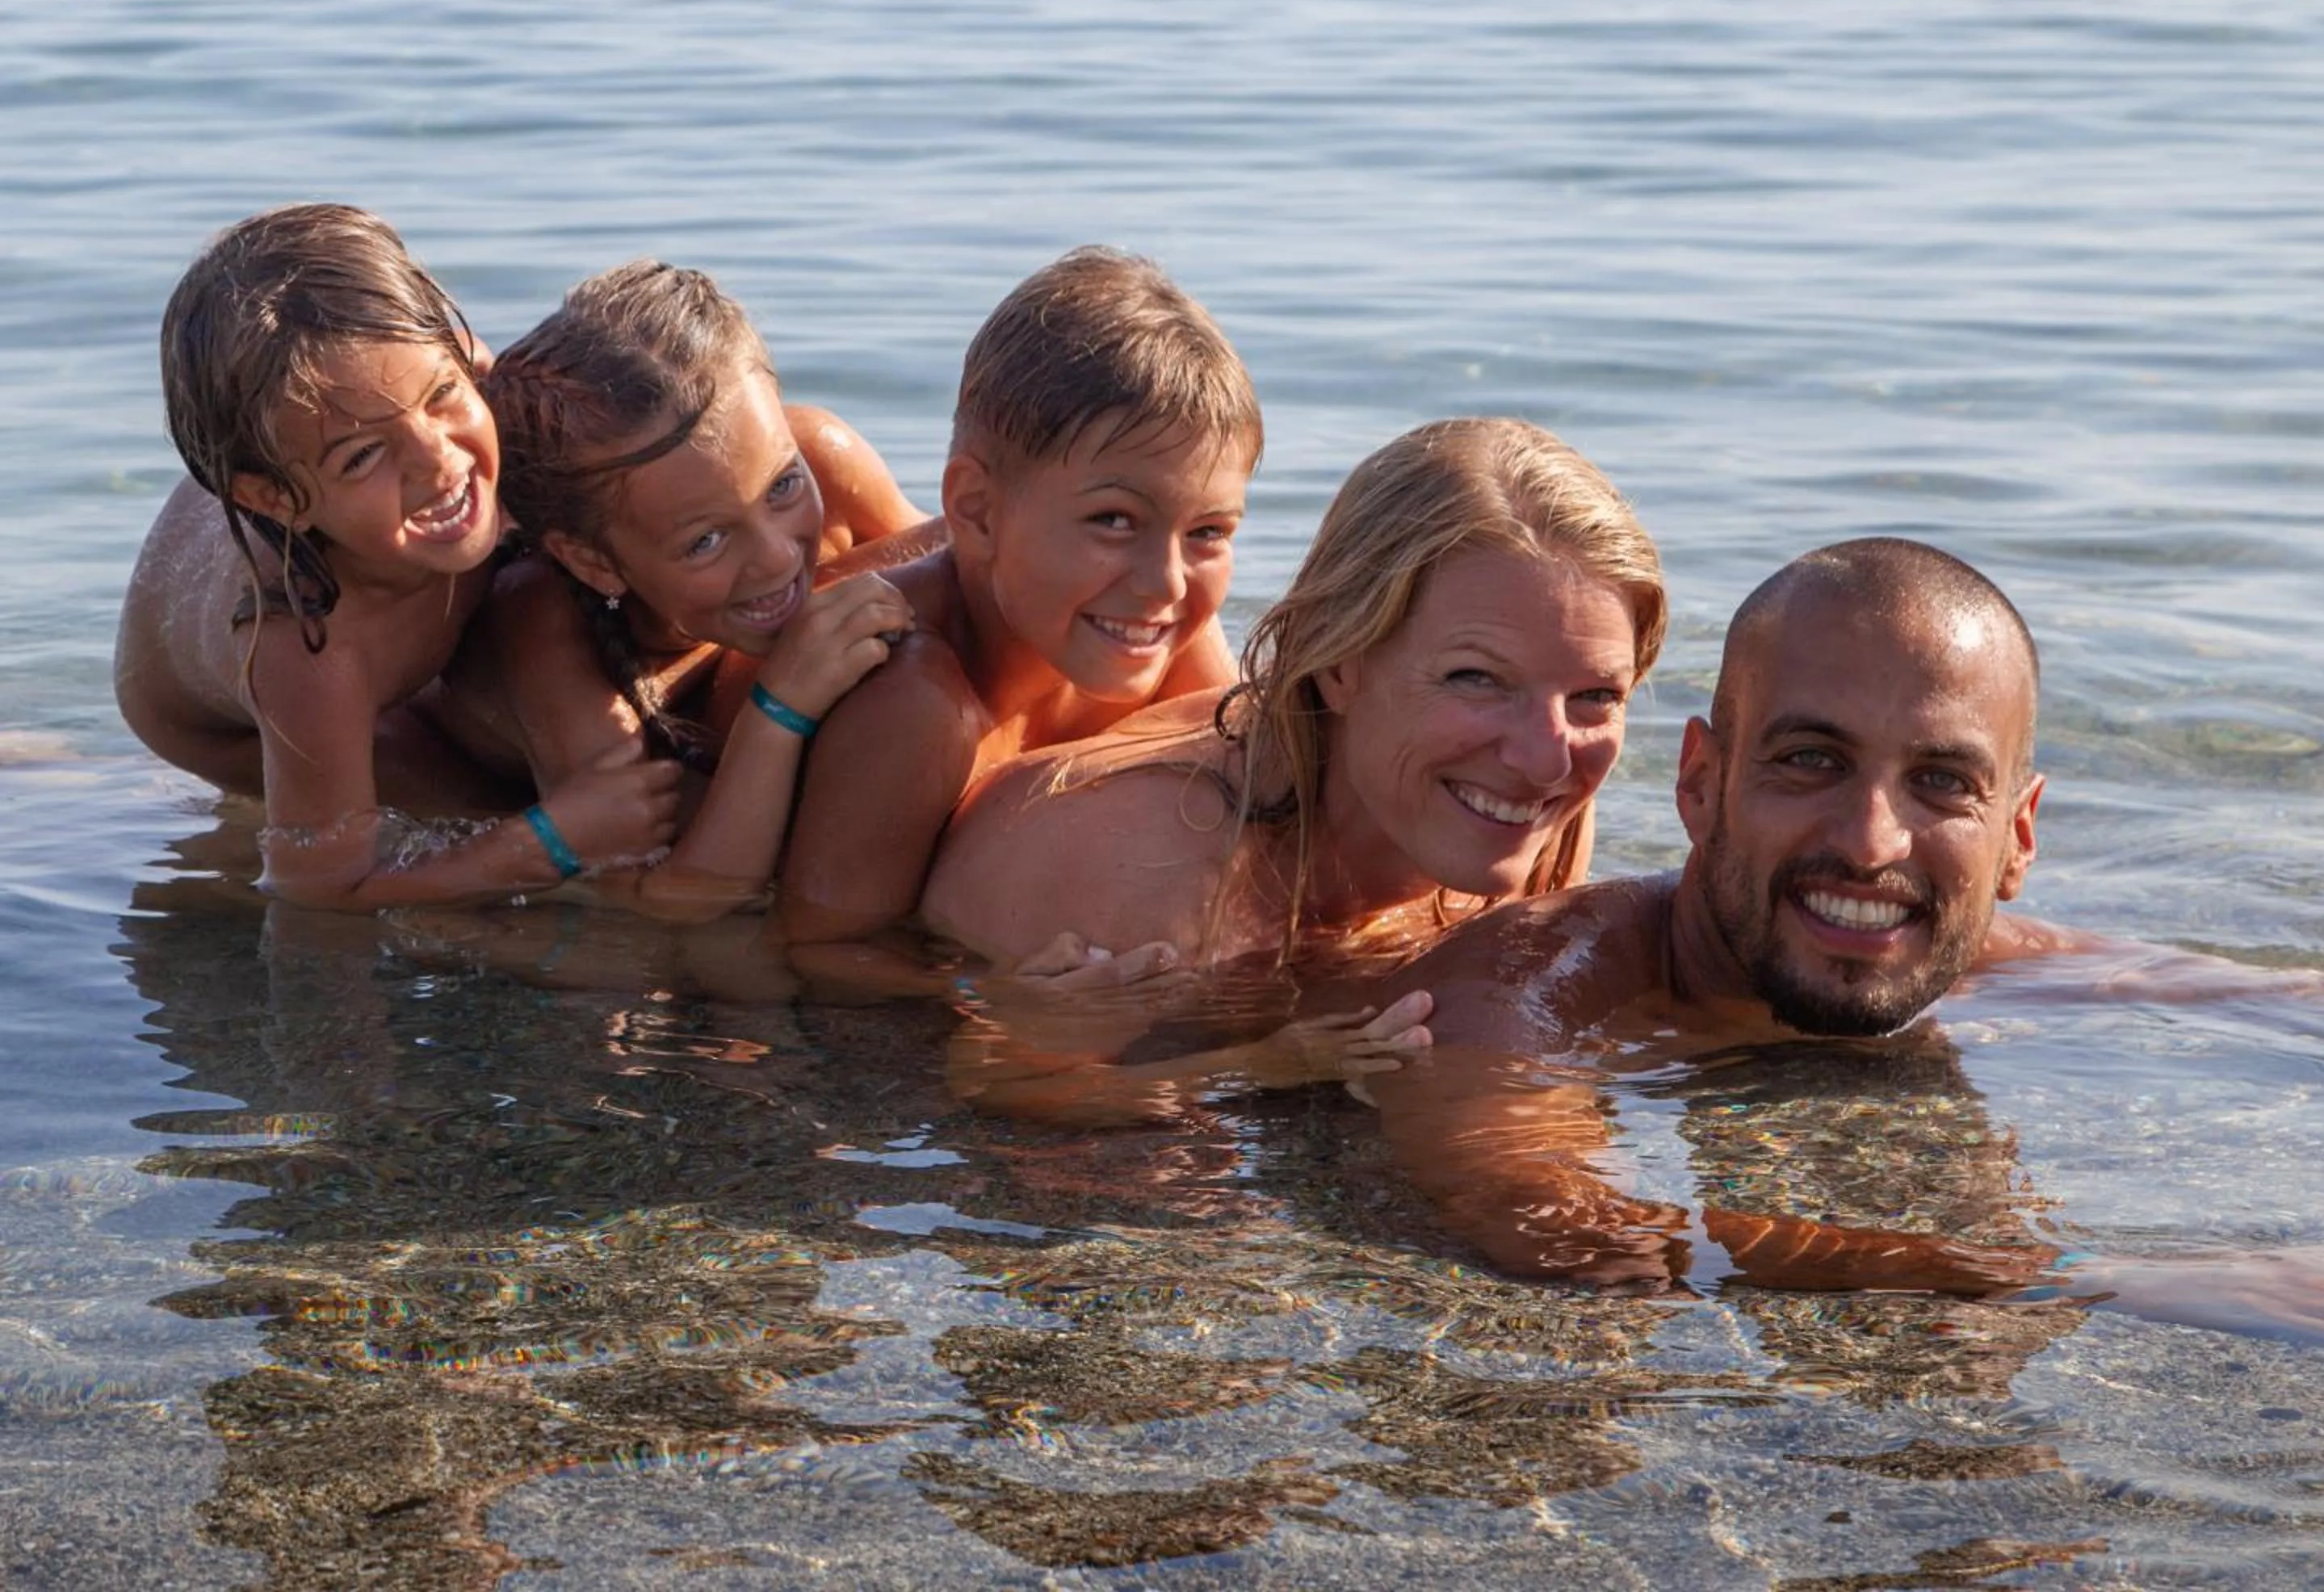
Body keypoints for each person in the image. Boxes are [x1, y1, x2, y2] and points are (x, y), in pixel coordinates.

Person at [1363, 537, 2324, 1357]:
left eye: (1942, 782)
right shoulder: (1521, 992)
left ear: (2018, 837)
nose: (1873, 842)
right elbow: (1570, 1231)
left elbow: (2299, 1003)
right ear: (1700, 784)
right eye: (1810, 760)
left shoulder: (1994, 956)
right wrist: (2103, 1277)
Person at [922, 417, 1666, 1122]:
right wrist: (1258, 1067)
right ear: (1337, 664)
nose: (1546, 761)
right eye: (1476, 679)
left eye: (1597, 695)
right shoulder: (1145, 875)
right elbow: (994, 1084)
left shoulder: (1539, 782)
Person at [115, 203, 681, 911]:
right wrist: (548, 842)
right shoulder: (309, 650)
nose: (437, 461)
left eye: (443, 394)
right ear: (278, 500)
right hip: (216, 726)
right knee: (479, 804)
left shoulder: (445, 380)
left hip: (325, 513)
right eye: (362, 455)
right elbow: (318, 888)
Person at [774, 247, 1260, 969]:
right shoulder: (916, 704)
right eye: (1114, 520)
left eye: (1209, 532)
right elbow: (815, 956)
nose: (1167, 582)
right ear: (977, 512)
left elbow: (1263, 788)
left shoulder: (1158, 614)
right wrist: (998, 999)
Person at [447, 260, 917, 922]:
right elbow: (683, 899)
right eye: (706, 541)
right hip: (453, 777)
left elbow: (964, 575)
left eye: (782, 486)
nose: (778, 555)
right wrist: (778, 710)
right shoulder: (545, 632)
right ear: (594, 563)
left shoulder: (823, 458)